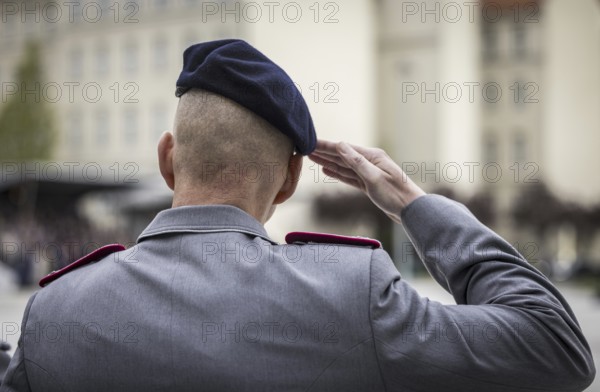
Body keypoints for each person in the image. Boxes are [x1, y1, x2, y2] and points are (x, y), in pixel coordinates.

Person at [0, 39, 594, 392]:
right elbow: (555, 348)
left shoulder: (55, 315)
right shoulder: (350, 298)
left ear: (167, 159)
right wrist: (412, 203)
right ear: (288, 180)